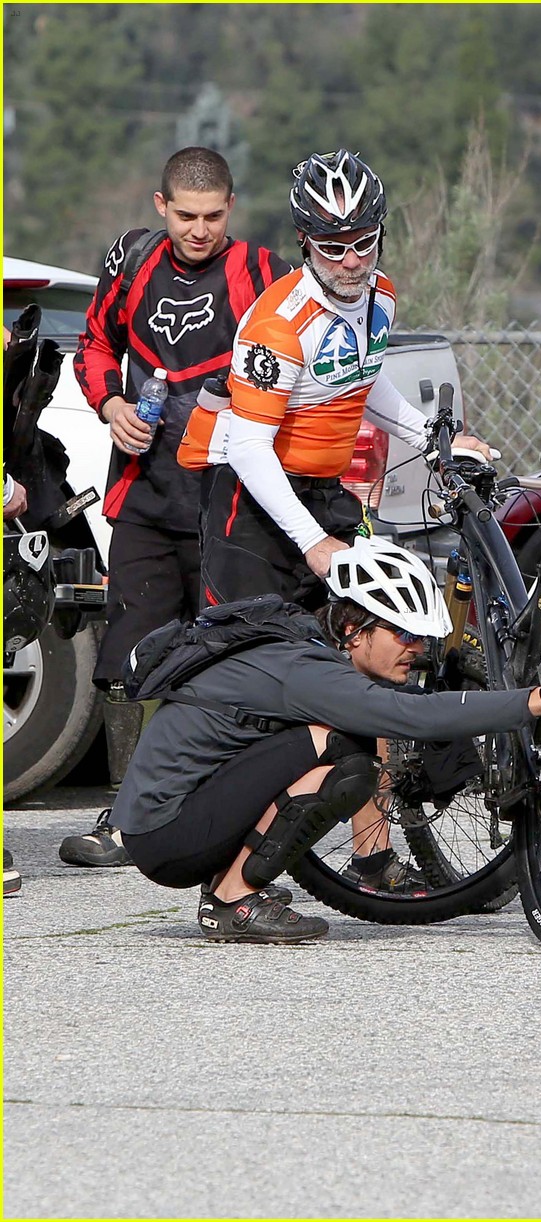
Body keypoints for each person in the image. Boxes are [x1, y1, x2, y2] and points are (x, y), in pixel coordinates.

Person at [177, 148, 492, 888]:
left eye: (362, 242)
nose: (350, 260)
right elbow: (249, 447)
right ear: (303, 242)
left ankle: (374, 857)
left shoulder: (377, 294)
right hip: (251, 501)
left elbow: (363, 372)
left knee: (377, 664)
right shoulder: (278, 322)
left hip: (322, 489)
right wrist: (311, 542)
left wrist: (431, 437)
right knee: (253, 683)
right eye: (331, 246)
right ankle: (227, 870)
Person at [111, 537, 541, 944]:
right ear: (356, 629)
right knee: (346, 763)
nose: (417, 648)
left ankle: (228, 877)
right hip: (166, 836)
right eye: (403, 634)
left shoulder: (309, 646)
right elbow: (411, 715)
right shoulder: (308, 673)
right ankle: (231, 902)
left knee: (339, 742)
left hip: (173, 820)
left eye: (421, 637)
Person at [58, 147, 291, 870]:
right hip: (145, 497)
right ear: (161, 207)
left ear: (232, 208)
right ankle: (128, 815)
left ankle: (241, 814)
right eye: (186, 216)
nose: (200, 230)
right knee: (132, 660)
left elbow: (296, 363)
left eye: (214, 216)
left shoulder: (261, 271)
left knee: (235, 659)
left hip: (232, 505)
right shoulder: (129, 262)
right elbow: (95, 344)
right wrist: (111, 403)